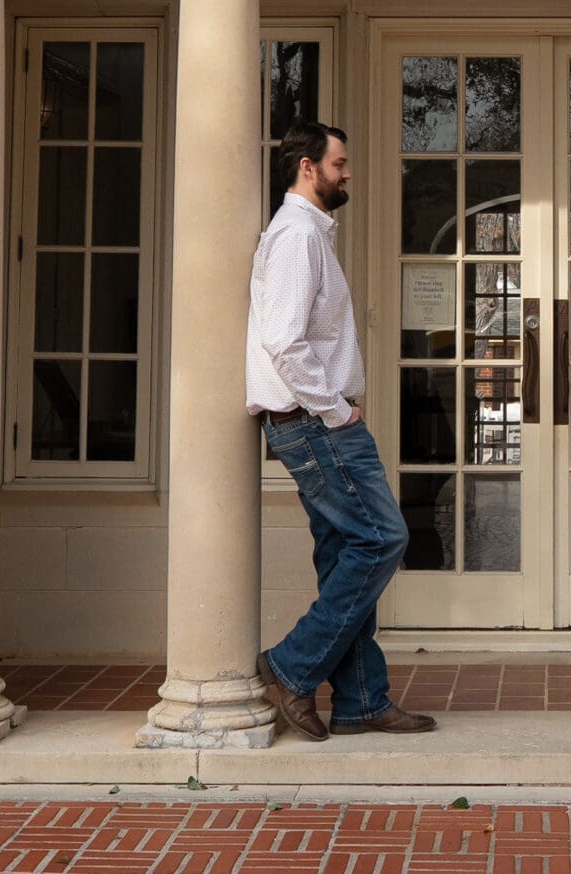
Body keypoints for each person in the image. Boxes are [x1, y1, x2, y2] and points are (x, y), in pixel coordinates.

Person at [246, 120, 438, 741]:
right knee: (384, 538)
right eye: (340, 163)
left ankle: (359, 699)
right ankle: (291, 666)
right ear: (308, 166)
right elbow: (283, 341)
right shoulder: (297, 237)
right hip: (315, 422)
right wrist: (335, 408)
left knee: (343, 554)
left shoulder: (307, 235)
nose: (347, 172)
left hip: (313, 419)